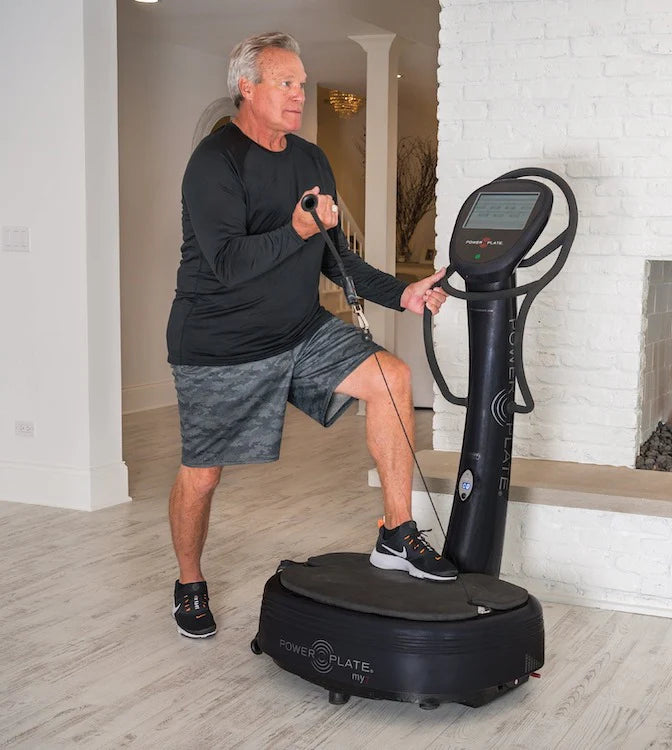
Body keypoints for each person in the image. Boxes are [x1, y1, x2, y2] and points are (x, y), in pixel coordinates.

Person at [166, 32, 455, 639]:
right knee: (203, 474)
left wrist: (400, 293)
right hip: (221, 345)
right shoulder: (214, 163)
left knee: (391, 379)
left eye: (301, 82)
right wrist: (296, 230)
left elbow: (335, 257)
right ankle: (189, 579)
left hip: (298, 329)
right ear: (247, 87)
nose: (299, 94)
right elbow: (228, 263)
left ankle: (397, 533)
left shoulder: (310, 159)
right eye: (286, 82)